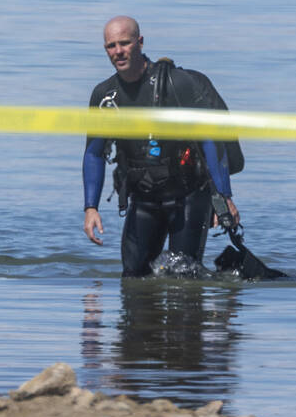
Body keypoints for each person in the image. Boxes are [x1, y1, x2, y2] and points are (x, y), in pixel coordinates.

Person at [82, 16, 240, 277]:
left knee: (184, 280)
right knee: (133, 279)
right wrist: (91, 208)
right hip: (143, 199)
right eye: (111, 46)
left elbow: (211, 139)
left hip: (187, 197)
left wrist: (223, 196)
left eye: (125, 43)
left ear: (140, 43)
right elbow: (94, 153)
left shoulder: (177, 84)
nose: (118, 51)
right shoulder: (105, 96)